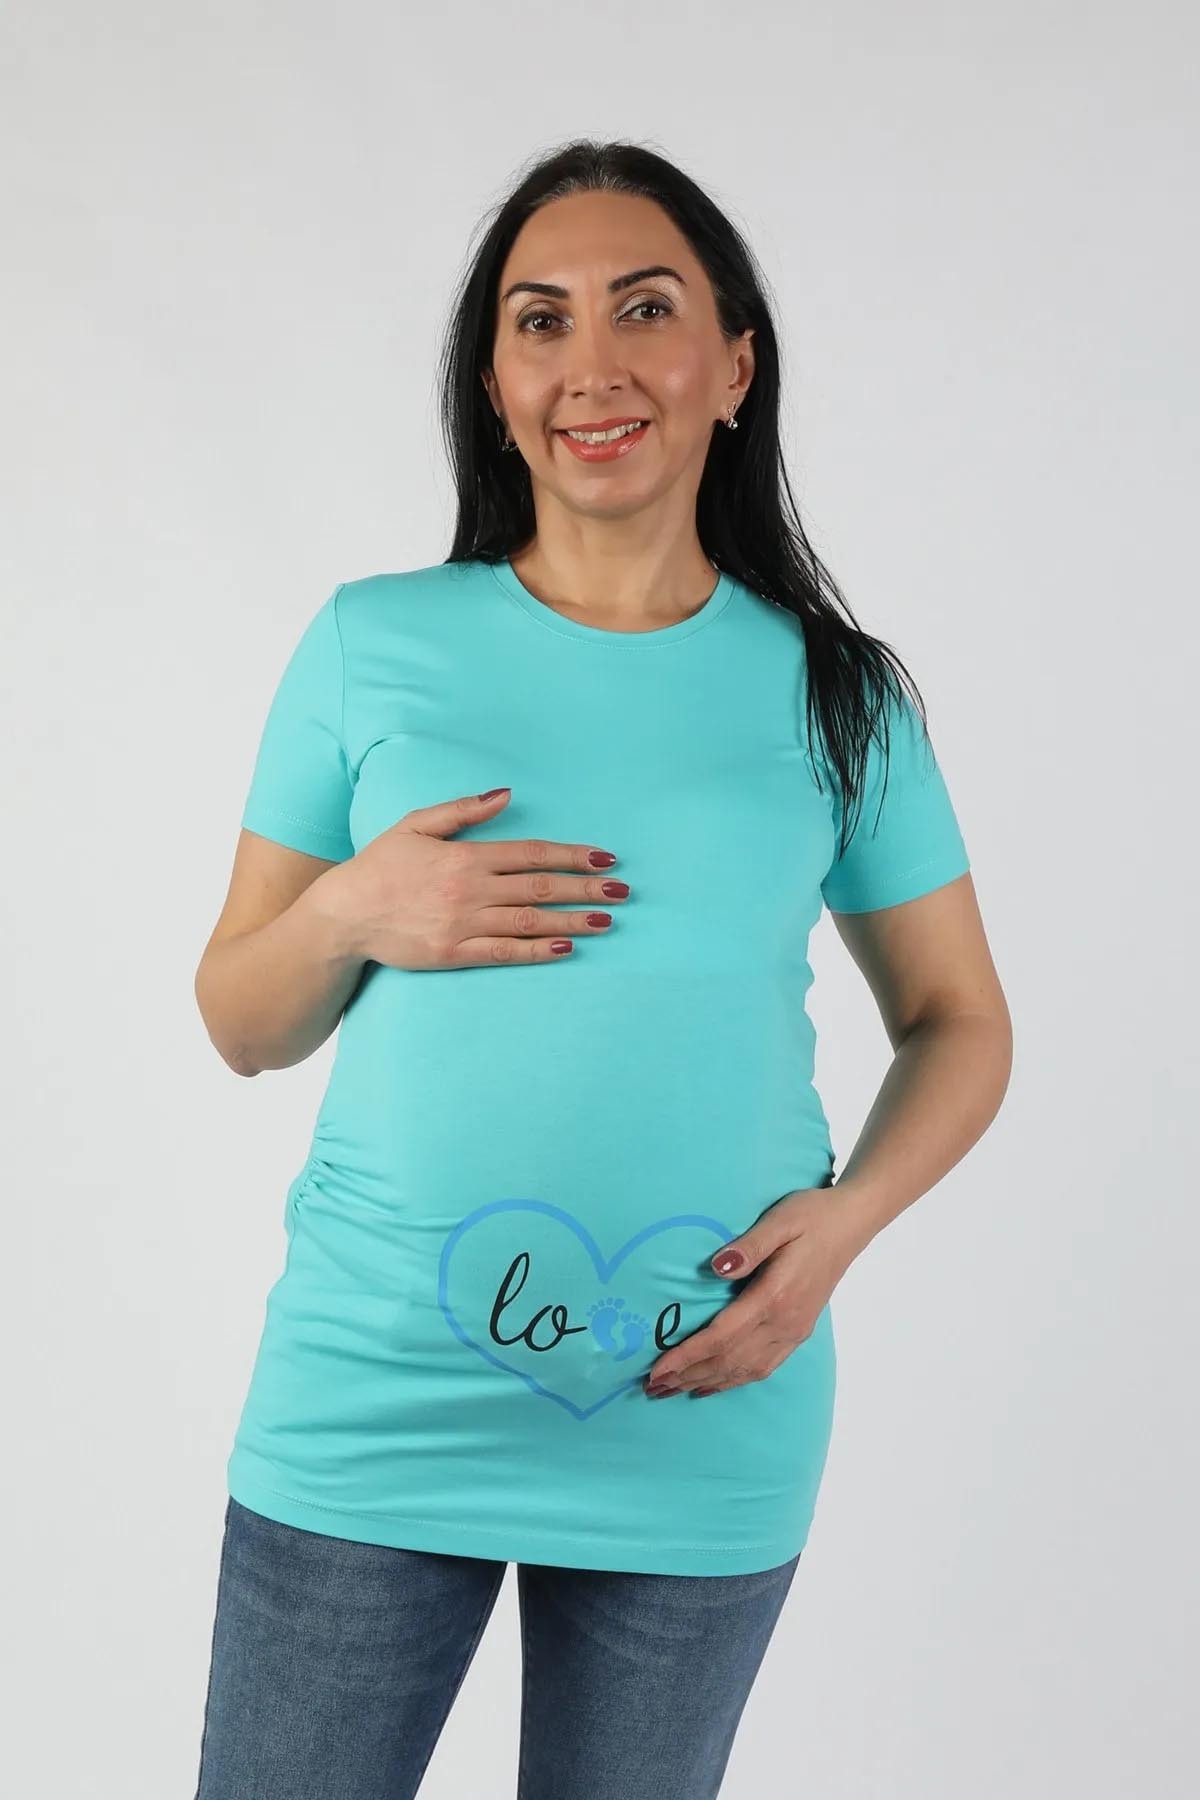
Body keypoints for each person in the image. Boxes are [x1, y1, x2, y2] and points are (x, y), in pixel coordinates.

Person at [190, 139, 1012, 1799]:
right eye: (540, 321)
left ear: (734, 366)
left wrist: (846, 1227)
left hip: (703, 1392)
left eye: (646, 309)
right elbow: (240, 1024)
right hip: (373, 1397)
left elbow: (958, 1020)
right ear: (497, 385)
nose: (593, 365)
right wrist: (354, 914)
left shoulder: (840, 694)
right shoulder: (371, 641)